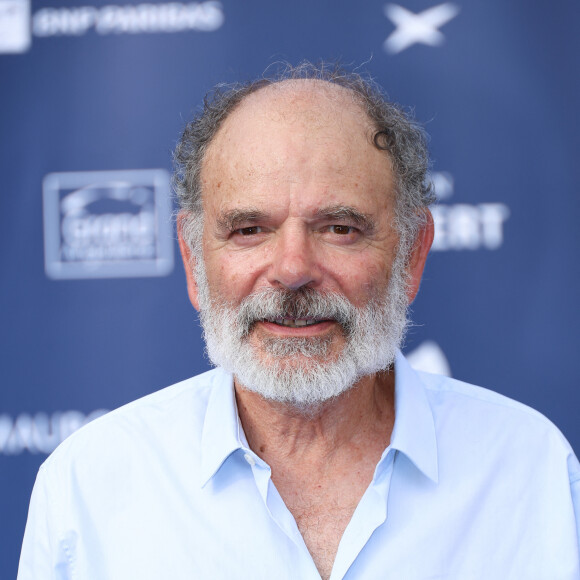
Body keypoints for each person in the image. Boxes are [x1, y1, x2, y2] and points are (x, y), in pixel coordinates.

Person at [19, 63, 580, 580]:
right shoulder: (88, 488)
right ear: (194, 262)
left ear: (411, 255)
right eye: (248, 230)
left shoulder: (531, 471)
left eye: (339, 228)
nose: (291, 270)